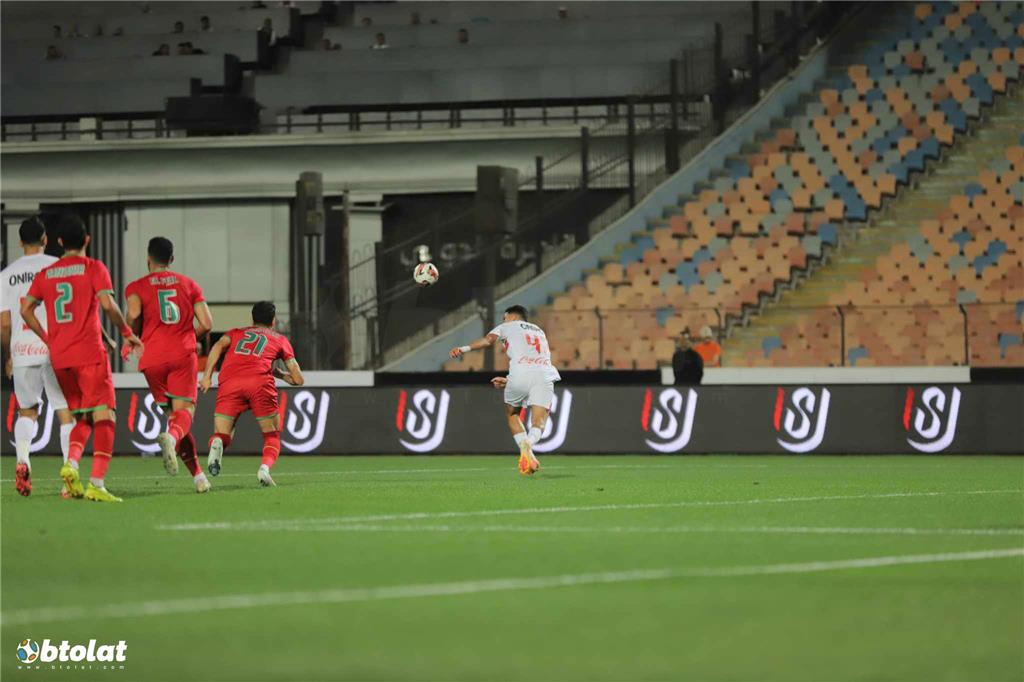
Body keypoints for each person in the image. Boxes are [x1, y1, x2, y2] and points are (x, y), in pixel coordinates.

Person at [21, 214, 144, 503]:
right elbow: (108, 304)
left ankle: (72, 463)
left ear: (59, 242)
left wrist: (48, 338)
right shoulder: (93, 267)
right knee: (106, 415)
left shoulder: (47, 274)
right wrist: (126, 332)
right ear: (87, 239)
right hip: (89, 354)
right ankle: (96, 483)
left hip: (61, 359)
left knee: (83, 417)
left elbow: (26, 309)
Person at [125, 237, 213, 493]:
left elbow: (133, 315)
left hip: (151, 359)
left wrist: (134, 337)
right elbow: (207, 323)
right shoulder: (189, 284)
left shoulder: (136, 287)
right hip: (181, 356)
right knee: (183, 417)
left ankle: (199, 477)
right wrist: (187, 337)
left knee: (175, 419)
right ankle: (171, 439)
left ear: (148, 259)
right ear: (172, 259)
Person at [0, 217, 75, 497]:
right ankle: (69, 477)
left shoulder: (7, 275)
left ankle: (23, 459)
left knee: (27, 412)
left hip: (23, 350)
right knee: (66, 412)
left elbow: (4, 323)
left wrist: (8, 355)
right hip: (57, 349)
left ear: (20, 241)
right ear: (45, 239)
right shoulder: (58, 267)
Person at [200, 301, 304, 487]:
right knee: (272, 436)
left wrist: (207, 376)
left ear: (252, 318)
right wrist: (280, 374)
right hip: (259, 383)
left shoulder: (235, 333)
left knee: (222, 434)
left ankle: (217, 442)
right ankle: (264, 469)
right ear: (273, 321)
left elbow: (217, 346)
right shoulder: (280, 340)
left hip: (230, 382)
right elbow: (298, 379)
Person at [449, 305, 558, 475]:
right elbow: (534, 360)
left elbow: (488, 340)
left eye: (504, 318)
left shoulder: (507, 326)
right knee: (538, 422)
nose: (503, 320)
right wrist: (508, 381)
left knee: (513, 414)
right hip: (545, 375)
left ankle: (525, 448)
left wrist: (463, 349)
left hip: (519, 374)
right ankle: (529, 443)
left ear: (512, 317)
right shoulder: (539, 331)